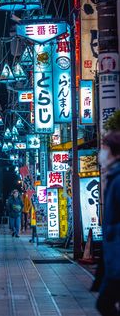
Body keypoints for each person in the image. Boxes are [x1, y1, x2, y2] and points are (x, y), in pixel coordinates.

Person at [96, 131, 120, 316]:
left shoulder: (117, 179)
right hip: (112, 255)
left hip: (116, 256)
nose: (101, 152)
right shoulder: (113, 177)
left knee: (104, 304)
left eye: (104, 148)